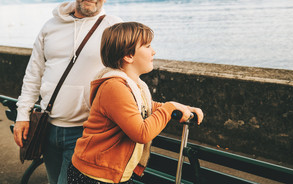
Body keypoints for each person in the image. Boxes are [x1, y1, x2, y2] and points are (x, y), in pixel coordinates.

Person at [13, 0, 123, 184]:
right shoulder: (50, 26)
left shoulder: (114, 28)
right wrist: (22, 115)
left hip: (86, 133)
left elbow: (130, 76)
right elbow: (33, 73)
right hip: (48, 127)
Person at [68, 22, 204, 184]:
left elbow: (147, 107)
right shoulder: (114, 87)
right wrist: (169, 108)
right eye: (147, 46)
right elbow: (141, 133)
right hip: (95, 175)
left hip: (111, 173)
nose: (153, 51)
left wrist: (183, 108)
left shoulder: (134, 85)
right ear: (128, 55)